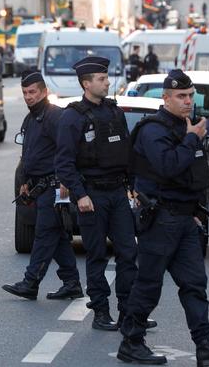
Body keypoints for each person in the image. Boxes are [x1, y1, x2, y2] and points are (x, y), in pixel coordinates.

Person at [116, 69, 209, 365]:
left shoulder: (186, 127)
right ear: (166, 98)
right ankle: (131, 342)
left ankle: (205, 343)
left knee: (194, 283)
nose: (188, 101)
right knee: (149, 284)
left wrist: (196, 214)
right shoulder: (154, 130)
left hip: (185, 220)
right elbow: (168, 166)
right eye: (180, 96)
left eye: (190, 96)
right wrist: (190, 139)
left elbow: (195, 176)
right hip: (160, 219)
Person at [55, 56, 154, 331]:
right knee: (96, 255)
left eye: (106, 77)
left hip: (117, 193)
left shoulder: (114, 111)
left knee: (128, 251)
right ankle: (100, 311)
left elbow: (127, 152)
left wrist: (133, 185)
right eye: (101, 79)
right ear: (86, 84)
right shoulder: (72, 116)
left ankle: (128, 312)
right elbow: (63, 163)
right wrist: (80, 194)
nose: (107, 82)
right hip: (92, 196)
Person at [2, 70, 83, 300]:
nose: (29, 97)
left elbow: (68, 151)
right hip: (39, 186)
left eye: (33, 92)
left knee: (44, 232)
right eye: (25, 93)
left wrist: (65, 180)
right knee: (56, 236)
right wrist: (26, 182)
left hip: (56, 186)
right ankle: (72, 282)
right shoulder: (31, 118)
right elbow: (30, 153)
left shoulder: (55, 116)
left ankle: (30, 282)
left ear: (44, 92)